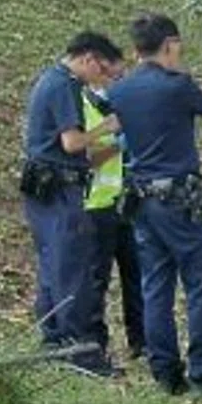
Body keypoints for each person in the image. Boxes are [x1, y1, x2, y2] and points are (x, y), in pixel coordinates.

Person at [108, 13, 202, 394]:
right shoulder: (178, 86)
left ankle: (165, 372)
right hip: (181, 198)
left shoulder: (120, 91)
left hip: (140, 197)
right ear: (170, 44)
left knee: (155, 286)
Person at [21, 31, 125, 378]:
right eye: (105, 72)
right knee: (73, 268)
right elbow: (71, 142)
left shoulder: (47, 79)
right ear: (89, 59)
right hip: (60, 187)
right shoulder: (65, 85)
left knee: (52, 265)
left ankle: (52, 339)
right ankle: (78, 348)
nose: (104, 80)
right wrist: (108, 127)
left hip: (41, 190)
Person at [82, 61, 145, 364]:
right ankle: (94, 345)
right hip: (97, 205)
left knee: (138, 274)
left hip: (130, 202)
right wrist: (118, 143)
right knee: (97, 278)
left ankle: (142, 342)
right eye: (113, 76)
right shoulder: (83, 106)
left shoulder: (124, 108)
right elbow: (83, 158)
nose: (117, 83)